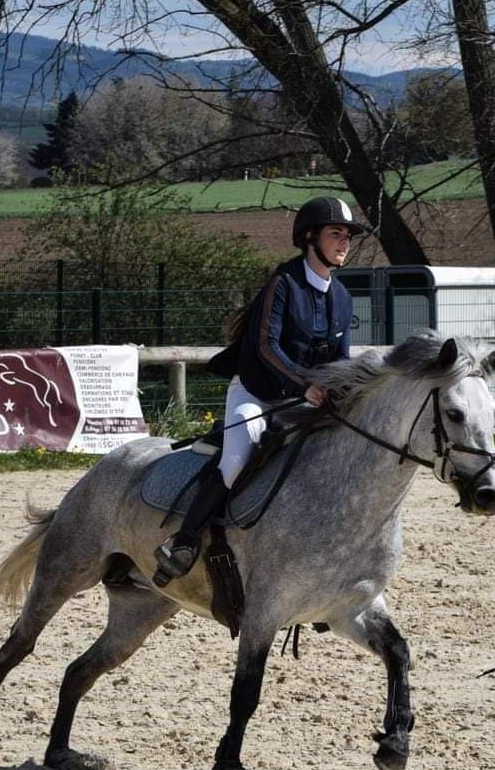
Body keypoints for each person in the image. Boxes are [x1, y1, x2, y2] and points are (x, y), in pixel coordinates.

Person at [153, 196, 366, 587]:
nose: (344, 243)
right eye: (336, 234)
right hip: (256, 393)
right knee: (237, 455)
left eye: (348, 236)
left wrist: (345, 390)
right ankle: (182, 541)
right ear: (309, 238)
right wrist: (306, 384)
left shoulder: (341, 296)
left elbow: (341, 358)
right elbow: (267, 347)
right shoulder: (283, 283)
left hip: (302, 400)